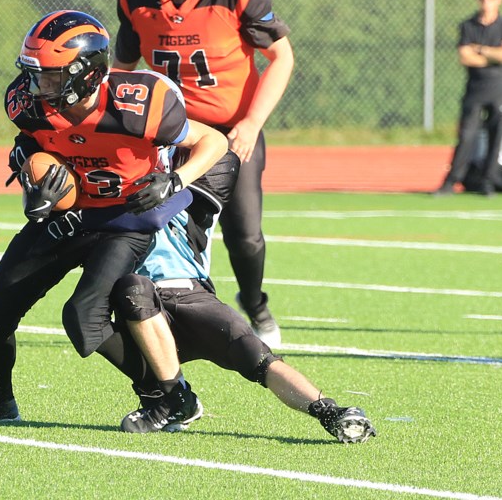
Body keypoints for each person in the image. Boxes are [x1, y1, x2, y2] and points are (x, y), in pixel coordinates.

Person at [0, 10, 230, 432]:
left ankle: (170, 396)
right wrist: (27, 165)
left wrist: (175, 179)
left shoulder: (139, 105)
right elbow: (32, 142)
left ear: (88, 74)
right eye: (38, 75)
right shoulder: (30, 103)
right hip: (72, 215)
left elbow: (214, 140)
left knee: (84, 317)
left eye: (54, 77)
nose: (41, 86)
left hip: (125, 220)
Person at [112, 0, 294, 349]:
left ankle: (254, 301)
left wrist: (252, 123)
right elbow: (121, 70)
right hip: (171, 130)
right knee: (161, 223)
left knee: (244, 235)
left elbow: (282, 58)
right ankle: (171, 310)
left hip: (232, 130)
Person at [111, 152, 377, 443]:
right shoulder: (109, 192)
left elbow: (219, 153)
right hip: (139, 306)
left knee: (257, 357)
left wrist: (173, 178)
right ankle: (173, 397)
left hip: (191, 295)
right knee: (131, 291)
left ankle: (329, 412)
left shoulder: (196, 194)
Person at [435, 0, 502, 197]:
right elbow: (465, 56)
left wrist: (481, 50)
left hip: (498, 88)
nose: (486, 1)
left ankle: (487, 182)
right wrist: (495, 55)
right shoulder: (468, 26)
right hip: (475, 88)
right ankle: (452, 180)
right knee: (466, 135)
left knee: (496, 135)